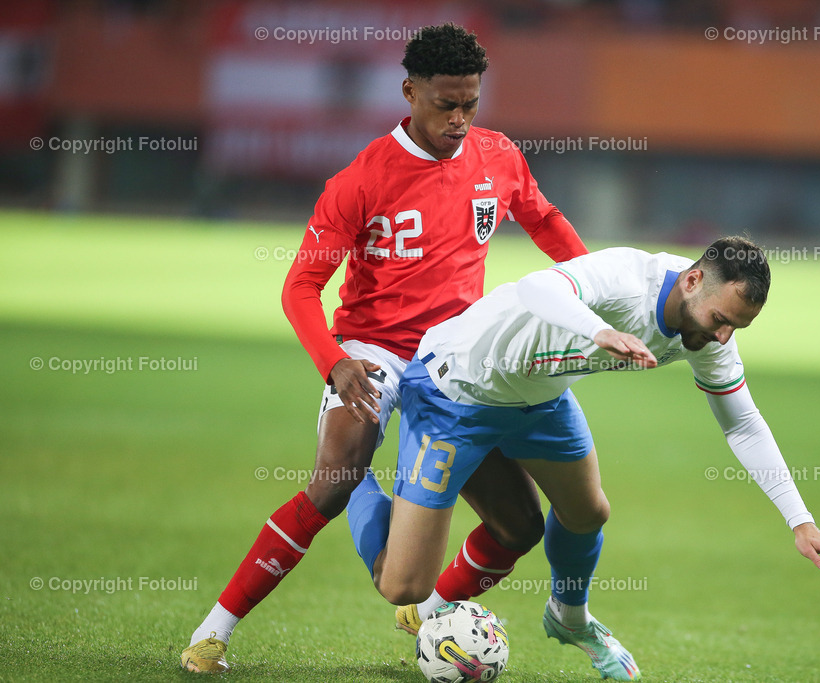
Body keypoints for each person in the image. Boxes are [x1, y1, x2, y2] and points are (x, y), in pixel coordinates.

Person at [180, 23, 589, 673]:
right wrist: (335, 362)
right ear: (409, 92)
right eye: (446, 104)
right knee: (335, 480)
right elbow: (300, 288)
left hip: (459, 359)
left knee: (520, 527)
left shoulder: (498, 156)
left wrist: (589, 293)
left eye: (470, 104)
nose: (459, 120)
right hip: (374, 350)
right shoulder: (362, 179)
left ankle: (426, 614)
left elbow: (543, 219)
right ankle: (213, 632)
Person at [347, 236, 820, 682]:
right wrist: (599, 331)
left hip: (540, 397)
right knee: (402, 585)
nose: (722, 337)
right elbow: (536, 287)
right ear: (692, 281)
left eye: (736, 327)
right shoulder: (627, 279)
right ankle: (352, 475)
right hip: (458, 389)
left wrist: (800, 521)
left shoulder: (709, 333)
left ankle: (569, 616)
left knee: (588, 510)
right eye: (720, 320)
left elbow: (743, 424)